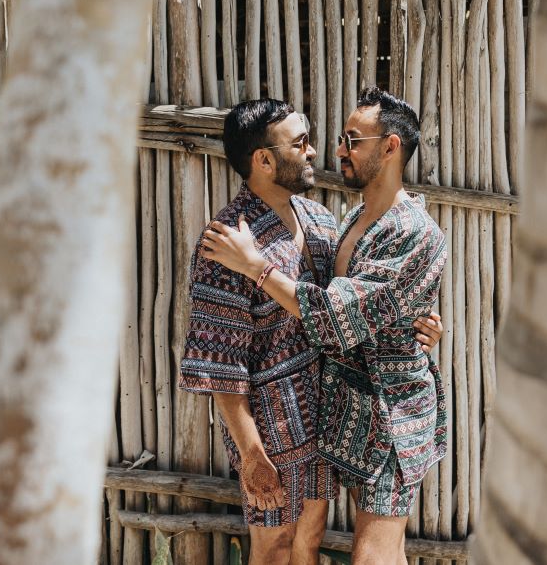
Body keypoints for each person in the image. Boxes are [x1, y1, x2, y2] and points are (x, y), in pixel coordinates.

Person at [179, 98, 443, 565]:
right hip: (272, 430)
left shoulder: (323, 223)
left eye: (342, 140)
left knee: (309, 541)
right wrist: (251, 454)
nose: (317, 151)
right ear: (263, 159)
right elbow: (219, 365)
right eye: (301, 142)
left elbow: (348, 306)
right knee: (275, 547)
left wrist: (414, 327)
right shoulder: (227, 244)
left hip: (330, 419)